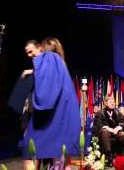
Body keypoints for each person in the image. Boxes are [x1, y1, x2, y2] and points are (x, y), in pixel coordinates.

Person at [21, 38, 81, 169]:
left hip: (50, 117)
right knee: (60, 151)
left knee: (31, 147)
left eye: (32, 52)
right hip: (63, 116)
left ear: (42, 48)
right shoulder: (60, 63)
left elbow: (45, 95)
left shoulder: (49, 57)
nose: (31, 56)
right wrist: (33, 71)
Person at [93, 96, 124, 167]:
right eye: (110, 102)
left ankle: (122, 156)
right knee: (105, 132)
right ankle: (109, 156)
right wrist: (108, 128)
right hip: (105, 132)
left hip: (116, 132)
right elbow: (97, 125)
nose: (112, 103)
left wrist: (117, 128)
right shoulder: (100, 113)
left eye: (113, 102)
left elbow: (122, 122)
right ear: (105, 103)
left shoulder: (117, 112)